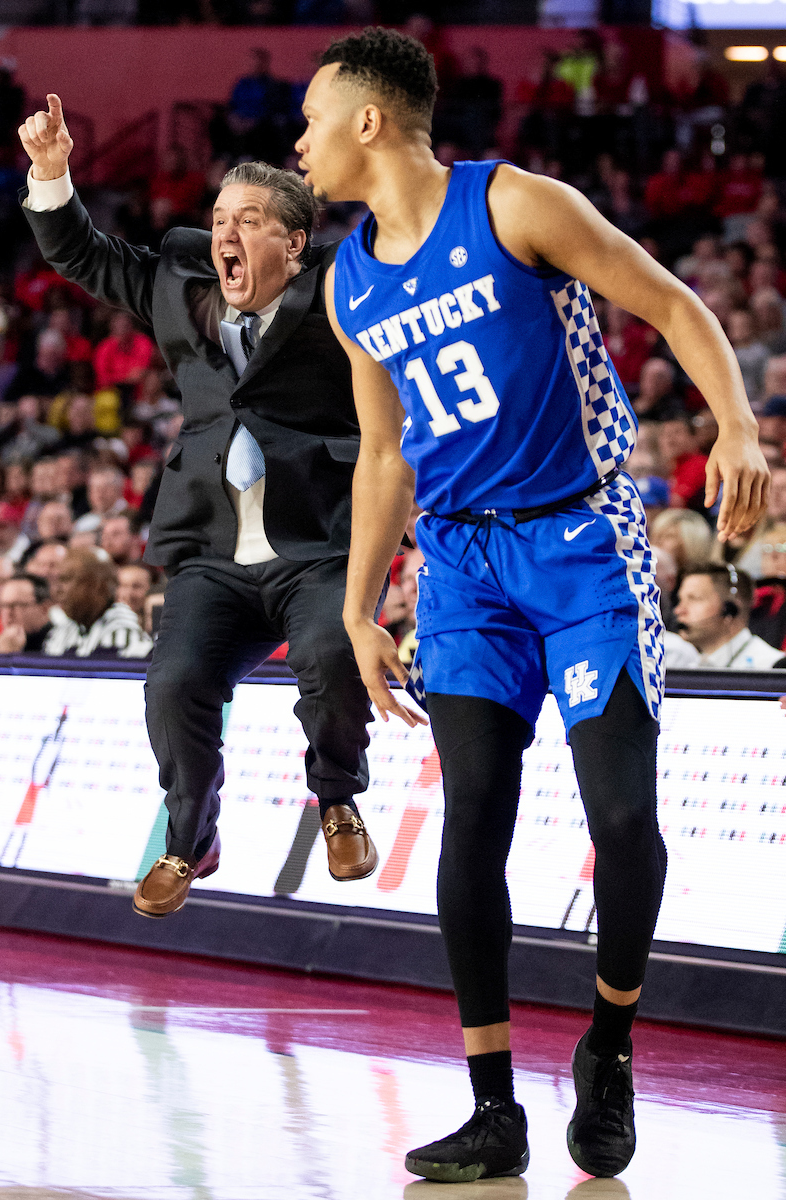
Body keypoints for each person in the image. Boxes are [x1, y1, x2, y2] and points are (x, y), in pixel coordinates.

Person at [296, 28, 769, 1183]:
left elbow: (674, 304)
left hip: (583, 543)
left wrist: (740, 427)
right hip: (462, 568)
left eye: (311, 120)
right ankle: (493, 1104)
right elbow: (382, 456)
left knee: (622, 819)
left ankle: (609, 1045)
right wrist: (361, 608)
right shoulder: (348, 281)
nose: (298, 144)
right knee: (474, 818)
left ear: (369, 121)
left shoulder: (513, 205)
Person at [19, 93, 380, 919]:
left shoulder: (343, 284)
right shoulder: (179, 275)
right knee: (175, 683)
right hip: (210, 549)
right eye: (220, 219)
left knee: (330, 649)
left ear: (295, 242)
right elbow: (81, 254)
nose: (226, 234)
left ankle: (336, 800)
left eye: (249, 221)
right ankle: (190, 837)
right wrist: (51, 173)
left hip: (320, 540)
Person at [42, 548, 152, 659]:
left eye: (66, 579)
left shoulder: (123, 632)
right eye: (57, 581)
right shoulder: (62, 629)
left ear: (96, 585)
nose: (57, 590)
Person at [674, 563, 785, 669]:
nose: (678, 610)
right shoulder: (690, 666)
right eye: (680, 600)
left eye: (694, 599)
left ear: (730, 609)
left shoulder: (771, 667)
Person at [0, 572, 53, 653]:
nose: (8, 613)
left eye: (17, 605)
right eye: (4, 605)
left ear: (44, 608)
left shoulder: (59, 642)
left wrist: (9, 654)